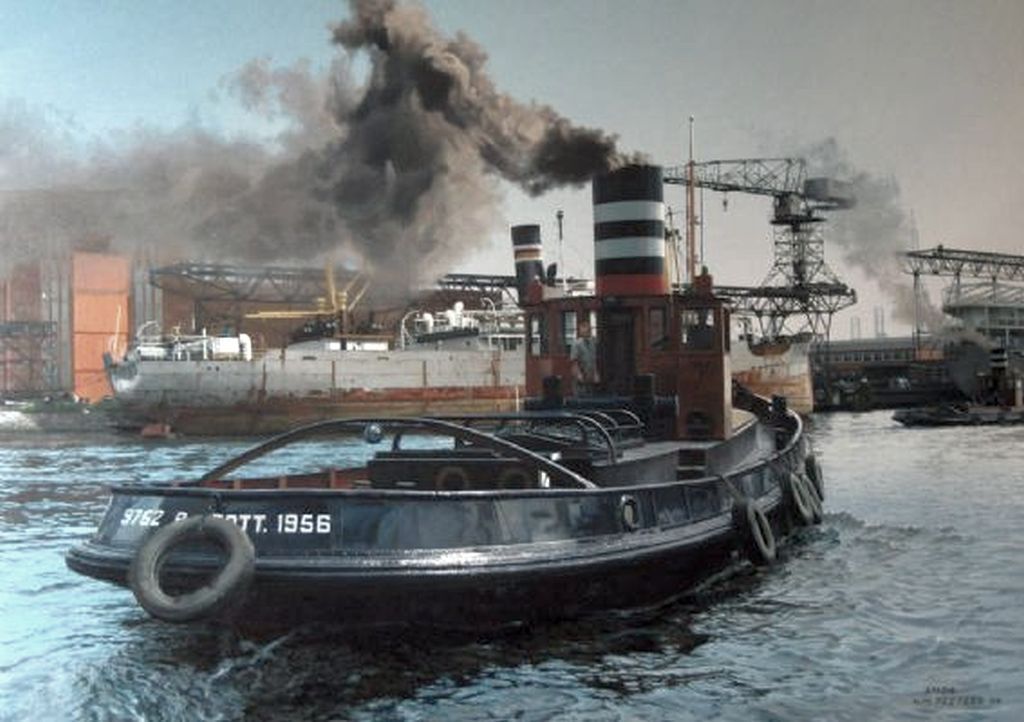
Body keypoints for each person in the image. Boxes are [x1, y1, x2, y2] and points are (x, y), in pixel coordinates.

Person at [570, 318, 599, 394]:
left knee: (591, 394)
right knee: (581, 395)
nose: (587, 332)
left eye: (588, 330)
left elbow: (594, 360)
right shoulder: (576, 344)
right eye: (584, 330)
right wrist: (579, 374)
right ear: (580, 331)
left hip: (590, 375)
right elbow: (574, 362)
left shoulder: (592, 343)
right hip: (580, 376)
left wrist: (596, 373)